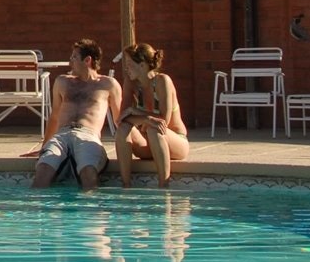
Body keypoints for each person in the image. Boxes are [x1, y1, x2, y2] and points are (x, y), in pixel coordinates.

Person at [29, 39, 123, 190]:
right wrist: (44, 146)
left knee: (88, 173)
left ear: (87, 60)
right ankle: (38, 205)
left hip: (88, 135)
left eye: (74, 57)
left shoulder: (108, 84)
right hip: (61, 135)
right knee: (43, 170)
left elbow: (120, 120)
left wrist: (132, 148)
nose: (70, 62)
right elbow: (55, 116)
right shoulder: (62, 82)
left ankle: (89, 205)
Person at [116, 42, 190, 188]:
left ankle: (164, 185)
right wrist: (145, 118)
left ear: (142, 65)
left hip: (173, 141)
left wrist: (138, 113)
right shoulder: (131, 82)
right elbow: (123, 117)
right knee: (123, 129)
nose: (126, 68)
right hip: (148, 142)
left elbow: (163, 121)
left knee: (154, 129)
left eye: (129, 64)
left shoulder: (162, 81)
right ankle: (126, 185)